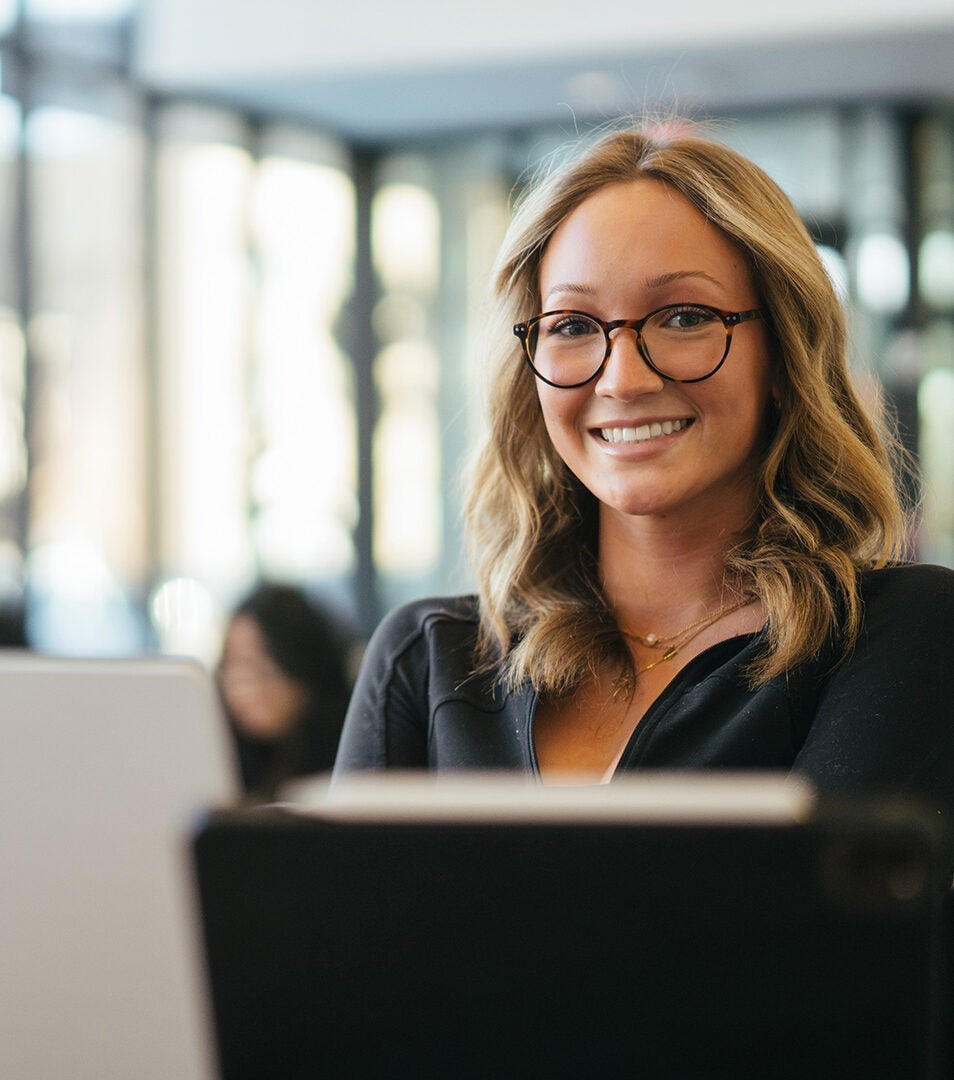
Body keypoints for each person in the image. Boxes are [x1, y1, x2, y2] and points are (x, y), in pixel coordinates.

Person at [333, 121, 954, 857]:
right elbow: (337, 959)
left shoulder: (897, 634)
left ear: (785, 356)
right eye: (571, 325)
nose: (623, 379)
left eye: (685, 317)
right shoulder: (429, 657)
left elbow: (819, 959)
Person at [217, 582, 354, 800]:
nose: (241, 683)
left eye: (260, 665)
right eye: (232, 664)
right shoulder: (224, 763)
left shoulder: (351, 767)